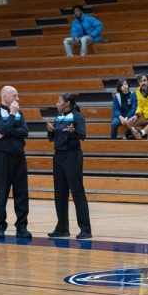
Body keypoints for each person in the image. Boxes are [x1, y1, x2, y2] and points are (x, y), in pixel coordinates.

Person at [0, 86, 32, 239]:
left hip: (19, 157)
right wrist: (12, 116)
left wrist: (6, 132)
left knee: (21, 193)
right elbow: (3, 127)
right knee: (2, 193)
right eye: (14, 95)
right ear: (5, 96)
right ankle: (1, 226)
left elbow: (25, 132)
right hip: (2, 158)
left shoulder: (20, 113)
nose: (17, 99)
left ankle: (22, 227)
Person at [46, 93, 91, 239]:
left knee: (77, 192)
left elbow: (82, 135)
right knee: (60, 193)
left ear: (67, 103)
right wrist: (50, 131)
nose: (56, 104)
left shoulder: (77, 116)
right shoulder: (59, 117)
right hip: (58, 156)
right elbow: (52, 139)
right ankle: (62, 228)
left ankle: (85, 229)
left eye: (59, 102)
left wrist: (74, 131)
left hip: (72, 156)